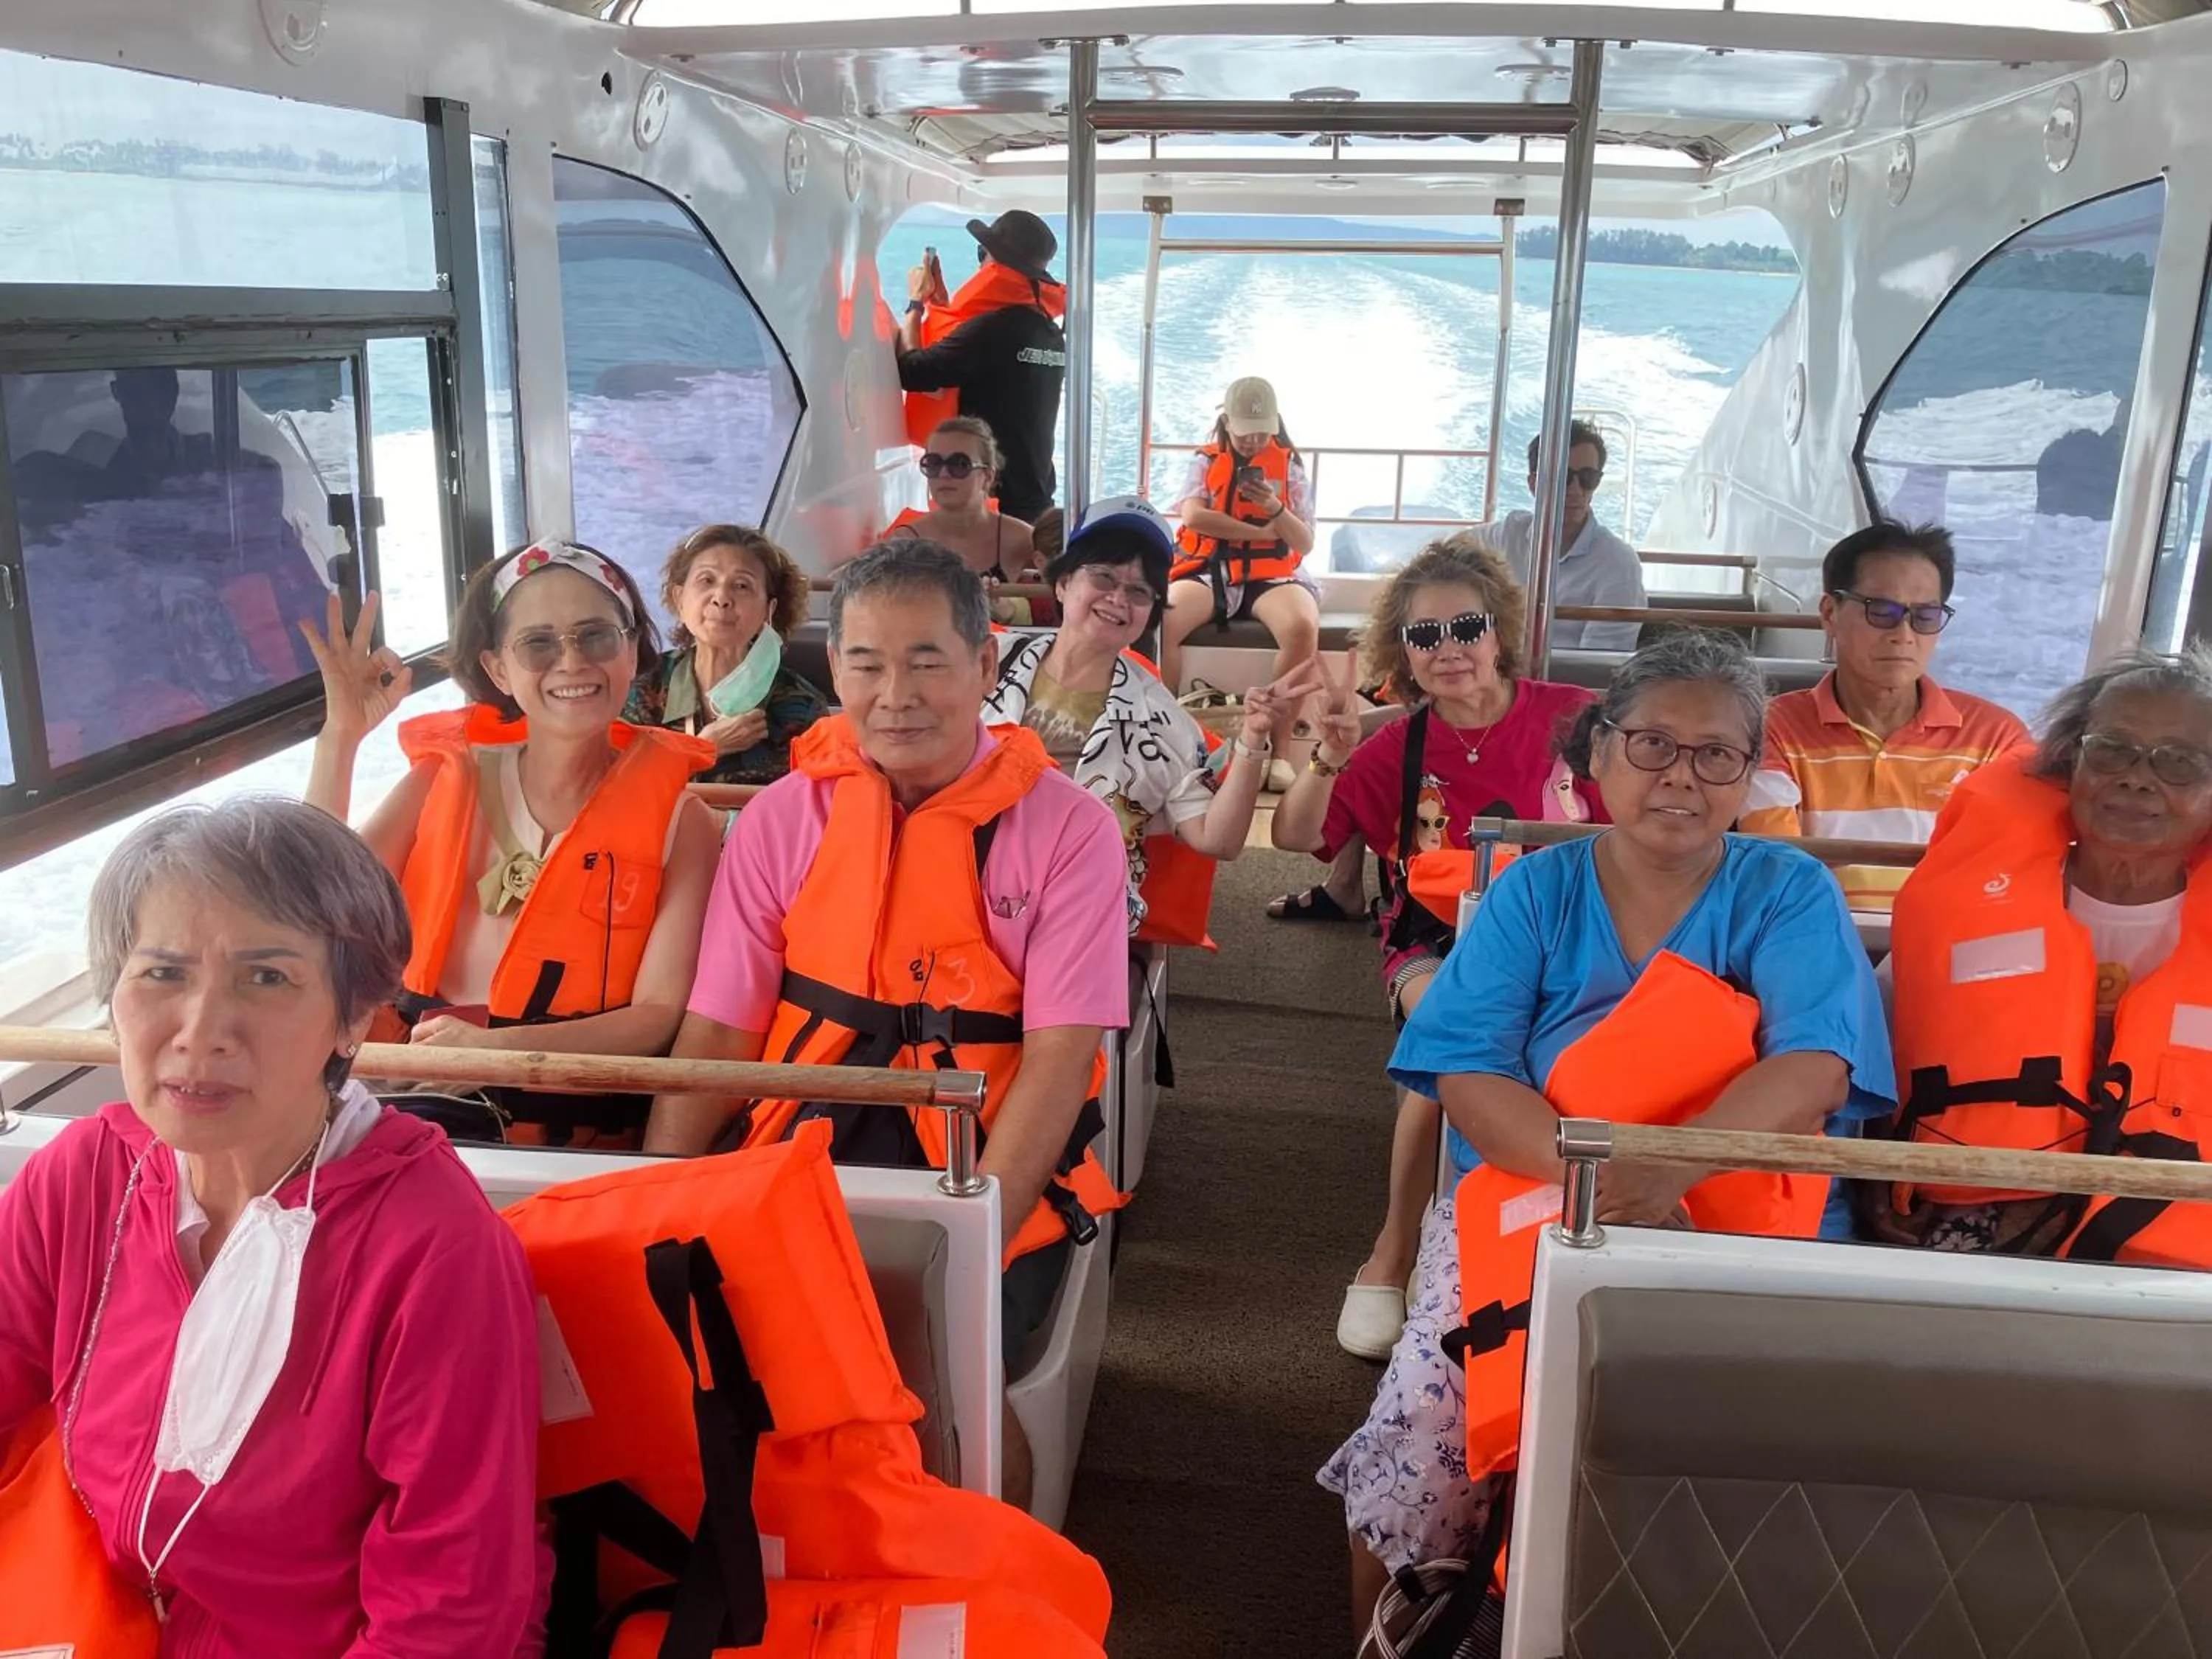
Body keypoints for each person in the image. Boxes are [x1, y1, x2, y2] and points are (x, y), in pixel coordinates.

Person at [1318, 630, 1895, 1632]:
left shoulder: (1789, 892)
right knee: (1424, 1429)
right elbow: (1470, 1071)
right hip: (1533, 1199)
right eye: (1653, 744)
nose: (1682, 775)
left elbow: (1815, 1066)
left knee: (1766, 1459)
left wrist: (1667, 1170)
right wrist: (1600, 1186)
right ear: (1597, 752)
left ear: (1749, 773)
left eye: (1717, 754)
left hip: (1736, 1211)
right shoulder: (1533, 893)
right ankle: (1391, 1634)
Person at [0, 799, 542, 1655]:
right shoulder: (83, 1177)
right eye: (162, 973)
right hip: (82, 1614)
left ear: (353, 1016)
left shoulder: (433, 1251)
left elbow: (451, 1605)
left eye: (267, 979)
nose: (201, 1034)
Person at [645, 542, 1129, 1495]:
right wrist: (655, 1191)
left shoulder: (1071, 831)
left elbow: (1059, 1060)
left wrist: (973, 1234)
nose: (895, 695)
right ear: (835, 668)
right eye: (866, 663)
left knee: (940, 1359)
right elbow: (721, 1031)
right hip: (796, 1143)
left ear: (983, 665)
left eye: (927, 661)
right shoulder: (782, 819)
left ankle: (990, 1559)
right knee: (699, 1339)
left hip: (984, 1158)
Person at [1268, 535, 1601, 1359]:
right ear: (1403, 652)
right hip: (1437, 943)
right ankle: (1396, 1248)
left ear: (1500, 631)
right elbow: (1294, 836)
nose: (1448, 648)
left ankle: (1516, 1234)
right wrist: (1327, 757)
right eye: (1425, 635)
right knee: (1451, 1036)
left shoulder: (1576, 719)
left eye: (1466, 627)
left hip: (1570, 940)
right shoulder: (1394, 749)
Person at [302, 540, 723, 1147]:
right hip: (411, 1109)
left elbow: (657, 1017)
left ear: (632, 650)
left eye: (596, 637)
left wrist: (495, 1052)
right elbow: (308, 901)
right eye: (538, 644)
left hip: (571, 1143)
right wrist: (339, 737)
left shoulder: (685, 823)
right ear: (498, 668)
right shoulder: (444, 781)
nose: (571, 662)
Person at [1877, 647, 2212, 1263]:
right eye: (2111, 749)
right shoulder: (1966, 904)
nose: (2137, 778)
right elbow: (1877, 1045)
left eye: (2180, 763)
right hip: (1983, 1201)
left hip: (2173, 1230)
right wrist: (1870, 1169)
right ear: (2070, 762)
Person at [983, 495, 1313, 937]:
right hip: (960, 893)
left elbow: (1218, 840)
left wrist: (1253, 739)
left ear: (1150, 614)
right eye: (1103, 576)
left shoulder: (1163, 722)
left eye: (1139, 591)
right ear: (1062, 583)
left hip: (1080, 921)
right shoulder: (985, 661)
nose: (1118, 598)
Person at [1741, 522, 2028, 911]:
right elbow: (1781, 873)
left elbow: (2004, 878)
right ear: (1830, 613)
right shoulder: (1768, 729)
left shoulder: (1997, 740)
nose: (1904, 634)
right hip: (1814, 935)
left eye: (1925, 616)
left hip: (1948, 937)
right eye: (1881, 611)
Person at [1164, 376, 1322, 789]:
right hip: (1210, 568)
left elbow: (1304, 541)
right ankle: (1166, 734)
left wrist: (1275, 508)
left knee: (1302, 627)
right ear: (1227, 423)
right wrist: (1260, 532)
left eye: (1261, 433)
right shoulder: (1204, 462)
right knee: (1162, 619)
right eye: (1244, 432)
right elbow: (1195, 516)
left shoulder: (1290, 467)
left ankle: (1281, 753)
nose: (1253, 441)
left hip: (1271, 574)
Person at [624, 523, 827, 785]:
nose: (721, 598)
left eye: (741, 586)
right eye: (707, 580)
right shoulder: (641, 689)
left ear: (769, 609)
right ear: (679, 599)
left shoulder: (803, 707)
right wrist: (705, 749)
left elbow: (815, 803)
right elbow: (620, 792)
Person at [897, 211, 1068, 521]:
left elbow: (912, 371)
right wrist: (942, 307)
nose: (980, 264)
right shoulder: (1050, 333)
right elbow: (982, 363)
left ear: (996, 263)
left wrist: (916, 303)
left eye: (982, 253)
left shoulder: (993, 331)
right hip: (1035, 495)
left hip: (993, 505)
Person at [1470, 420, 1646, 652]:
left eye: (1588, 478)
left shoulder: (1619, 564)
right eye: (1562, 477)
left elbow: (1599, 661)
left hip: (1565, 675)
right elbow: (1442, 557)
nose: (1575, 490)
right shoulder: (1505, 537)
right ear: (1534, 484)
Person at [888, 417, 1040, 627]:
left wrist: (1010, 610)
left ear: (988, 476)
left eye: (960, 465)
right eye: (933, 463)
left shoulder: (1022, 539)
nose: (943, 474)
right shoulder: (906, 544)